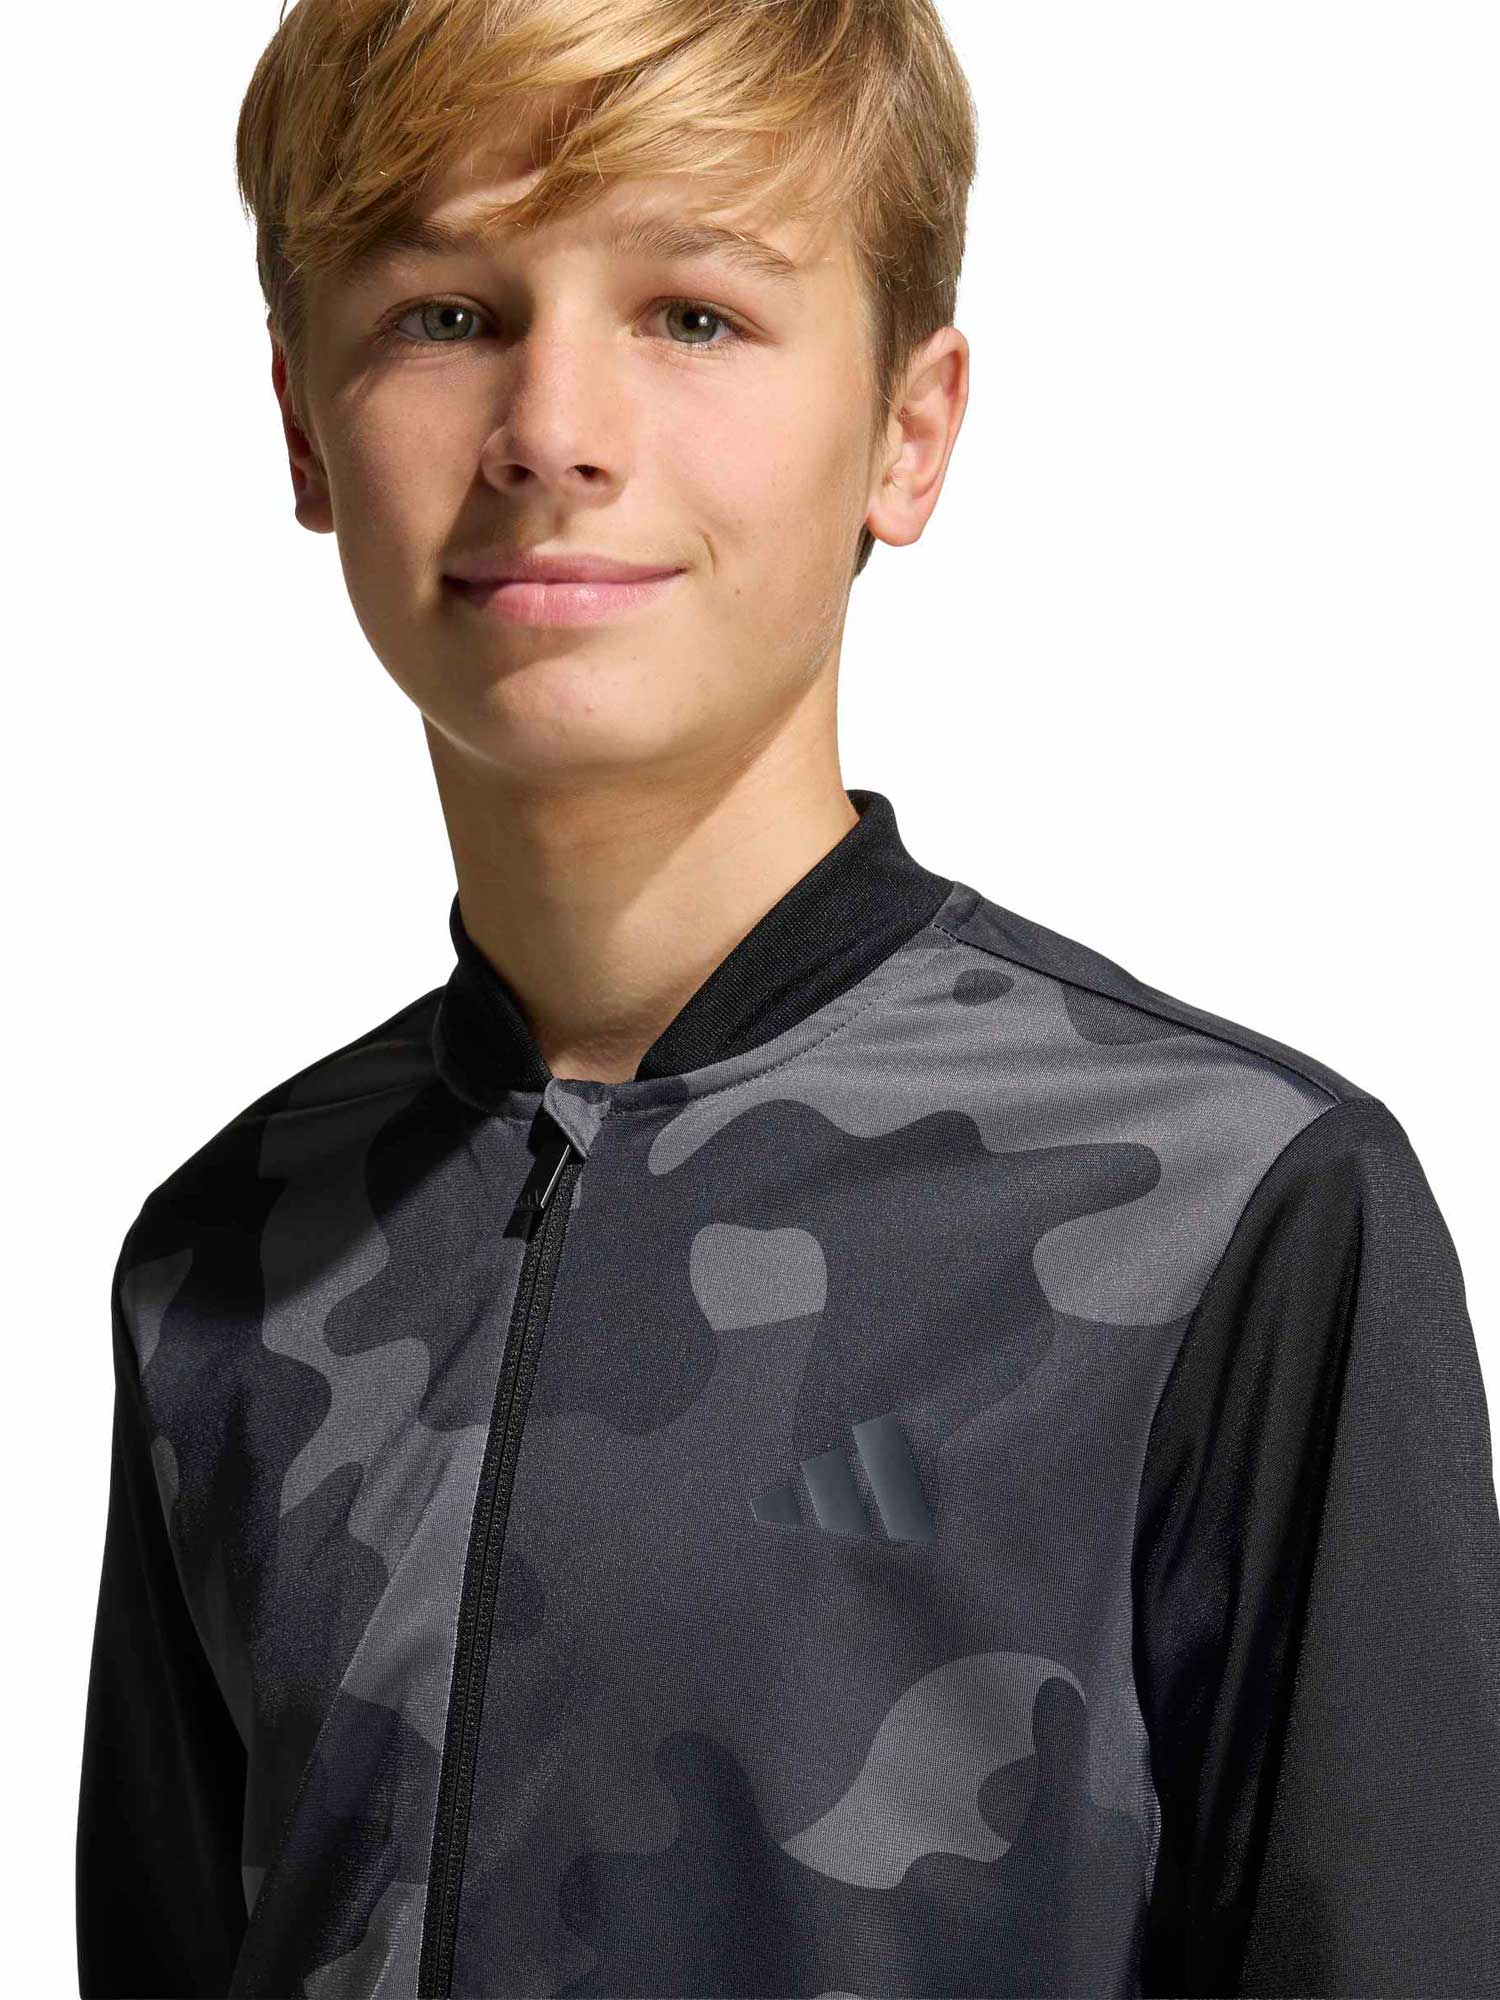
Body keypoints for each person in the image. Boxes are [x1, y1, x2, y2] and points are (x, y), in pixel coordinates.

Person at [75, 2, 1500, 1996]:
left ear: (909, 431)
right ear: (304, 422)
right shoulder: (227, 1259)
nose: (553, 430)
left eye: (695, 315)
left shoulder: (1235, 1216)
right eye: (446, 314)